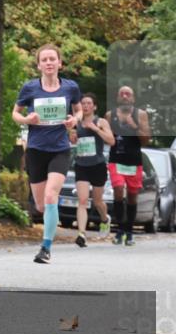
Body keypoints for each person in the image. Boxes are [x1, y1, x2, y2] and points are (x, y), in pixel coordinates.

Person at [12, 44, 82, 264]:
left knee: (51, 196)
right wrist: (27, 120)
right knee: (42, 205)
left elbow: (78, 109)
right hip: (35, 150)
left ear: (60, 63)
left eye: (53, 59)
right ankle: (52, 209)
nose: (49, 63)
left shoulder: (70, 87)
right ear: (39, 65)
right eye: (45, 60)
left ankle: (45, 248)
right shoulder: (30, 88)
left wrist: (75, 120)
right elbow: (15, 113)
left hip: (60, 149)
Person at [105, 86, 152, 245]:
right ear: (118, 97)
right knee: (118, 190)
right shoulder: (110, 115)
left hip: (134, 161)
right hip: (116, 160)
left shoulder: (141, 115)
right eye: (122, 94)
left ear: (133, 98)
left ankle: (129, 231)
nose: (125, 97)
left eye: (128, 94)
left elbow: (145, 140)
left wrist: (134, 126)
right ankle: (119, 230)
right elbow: (106, 138)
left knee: (132, 196)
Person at [68, 93, 115, 247]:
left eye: (89, 103)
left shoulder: (100, 121)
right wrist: (72, 137)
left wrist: (96, 129)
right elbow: (72, 140)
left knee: (97, 201)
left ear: (94, 106)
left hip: (98, 165)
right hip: (81, 165)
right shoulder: (77, 122)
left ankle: (104, 219)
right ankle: (81, 234)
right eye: (83, 103)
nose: (86, 106)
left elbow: (111, 140)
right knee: (82, 201)